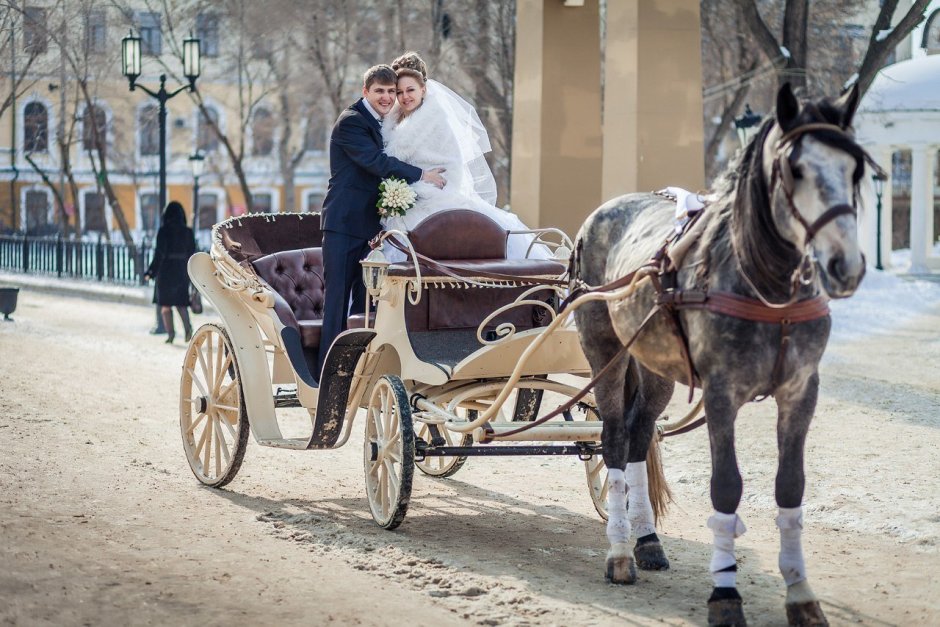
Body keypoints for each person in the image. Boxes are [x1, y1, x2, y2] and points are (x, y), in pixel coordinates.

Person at [316, 64, 447, 378]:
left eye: (391, 91)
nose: (388, 97)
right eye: (381, 91)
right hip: (343, 224)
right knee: (337, 299)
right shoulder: (351, 122)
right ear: (366, 92)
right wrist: (421, 175)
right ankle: (327, 373)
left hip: (373, 228)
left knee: (367, 302)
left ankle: (362, 369)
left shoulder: (385, 122)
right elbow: (376, 162)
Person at [382, 52, 550, 260]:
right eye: (399, 92)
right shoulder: (392, 121)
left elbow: (452, 166)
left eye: (410, 90)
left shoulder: (436, 120)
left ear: (423, 89)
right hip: (399, 202)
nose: (405, 96)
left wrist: (416, 190)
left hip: (433, 199)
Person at [143, 201, 196, 344]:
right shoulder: (188, 232)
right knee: (181, 304)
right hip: (181, 271)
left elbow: (159, 254)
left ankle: (171, 334)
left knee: (165, 305)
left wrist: (150, 272)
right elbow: (193, 254)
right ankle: (188, 329)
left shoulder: (163, 231)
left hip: (165, 272)